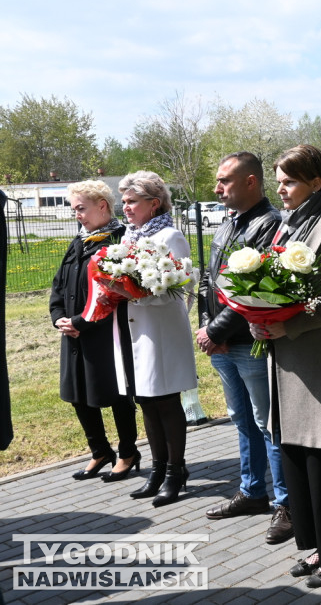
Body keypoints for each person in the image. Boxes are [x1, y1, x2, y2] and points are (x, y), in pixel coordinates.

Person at [250, 144, 321, 587]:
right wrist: (259, 317)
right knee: (299, 459)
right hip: (285, 363)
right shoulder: (284, 229)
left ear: (315, 183)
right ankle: (320, 546)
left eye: (289, 182)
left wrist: (291, 325)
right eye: (278, 182)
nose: (280, 190)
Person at [197, 152, 292, 544]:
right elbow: (213, 282)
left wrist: (216, 331)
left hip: (248, 342)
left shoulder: (268, 224)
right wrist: (206, 326)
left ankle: (285, 503)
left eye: (226, 181)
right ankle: (253, 491)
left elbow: (250, 293)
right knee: (242, 420)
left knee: (268, 424)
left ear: (251, 181)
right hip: (223, 343)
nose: (218, 188)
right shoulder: (230, 222)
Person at [113, 171, 197, 507]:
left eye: (132, 201)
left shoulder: (170, 235)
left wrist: (134, 293)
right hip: (135, 328)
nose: (126, 208)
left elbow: (181, 289)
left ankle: (176, 471)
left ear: (154, 202)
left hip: (162, 331)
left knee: (166, 401)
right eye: (125, 202)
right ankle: (158, 469)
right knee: (145, 400)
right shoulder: (128, 237)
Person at [50, 180, 138, 483]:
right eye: (74, 209)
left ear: (102, 205)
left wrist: (81, 322)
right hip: (73, 332)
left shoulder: (119, 241)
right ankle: (100, 451)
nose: (77, 215)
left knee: (115, 393)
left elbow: (114, 293)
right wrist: (59, 317)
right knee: (77, 393)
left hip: (104, 332)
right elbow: (58, 285)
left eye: (81, 208)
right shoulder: (79, 241)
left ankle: (128, 452)